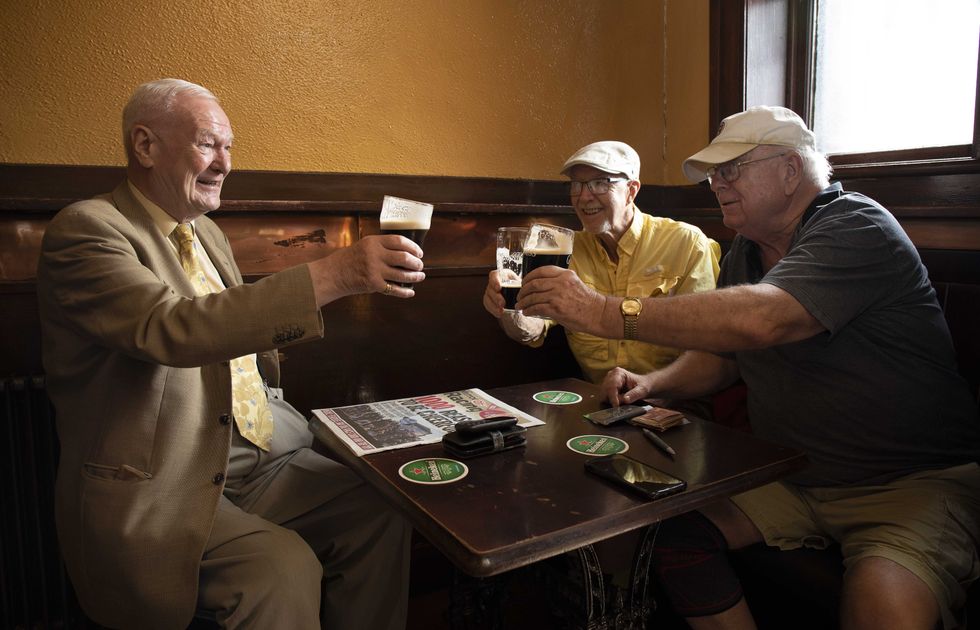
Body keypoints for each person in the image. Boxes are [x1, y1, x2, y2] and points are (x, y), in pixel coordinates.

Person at [516, 106, 980, 629]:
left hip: (906, 483)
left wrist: (602, 311)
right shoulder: (746, 251)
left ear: (789, 171)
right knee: (668, 534)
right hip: (795, 474)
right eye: (715, 174)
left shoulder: (857, 225)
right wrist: (654, 383)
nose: (717, 184)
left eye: (731, 169)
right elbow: (725, 359)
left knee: (884, 610)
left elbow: (765, 320)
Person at [36, 79, 420, 630]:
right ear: (145, 146)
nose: (224, 163)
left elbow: (242, 344)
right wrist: (337, 273)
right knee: (280, 571)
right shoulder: (88, 230)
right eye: (209, 144)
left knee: (381, 511)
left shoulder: (208, 234)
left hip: (262, 458)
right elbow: (167, 329)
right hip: (169, 477)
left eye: (229, 147)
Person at [483, 140, 720, 385]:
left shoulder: (686, 243)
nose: (584, 197)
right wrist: (508, 306)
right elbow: (530, 330)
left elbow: (708, 346)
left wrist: (651, 387)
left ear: (631, 190)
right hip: (600, 407)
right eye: (577, 184)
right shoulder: (566, 249)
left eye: (600, 183)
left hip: (676, 403)